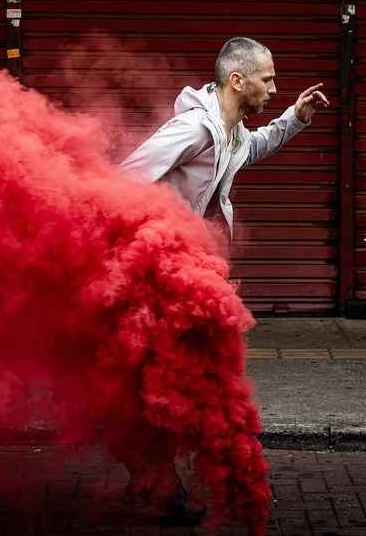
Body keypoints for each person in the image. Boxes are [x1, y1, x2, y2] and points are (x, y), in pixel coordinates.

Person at [116, 37, 329, 523]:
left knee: (172, 382)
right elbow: (125, 180)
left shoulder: (229, 132)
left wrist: (295, 117)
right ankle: (155, 482)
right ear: (238, 80)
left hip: (189, 279)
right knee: (170, 384)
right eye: (268, 79)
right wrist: (161, 238)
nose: (274, 88)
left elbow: (250, 150)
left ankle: (151, 481)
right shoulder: (193, 129)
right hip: (160, 277)